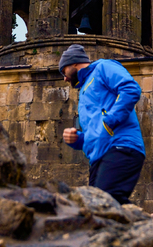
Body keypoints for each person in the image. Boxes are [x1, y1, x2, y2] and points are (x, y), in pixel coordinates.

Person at [60, 44, 146, 205]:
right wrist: (77, 139)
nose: (64, 78)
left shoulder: (103, 67)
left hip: (121, 147)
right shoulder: (84, 91)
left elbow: (130, 89)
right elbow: (96, 133)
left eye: (63, 71)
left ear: (73, 63)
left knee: (106, 204)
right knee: (97, 211)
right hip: (98, 159)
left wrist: (110, 120)